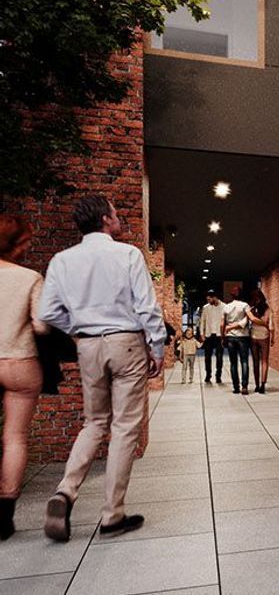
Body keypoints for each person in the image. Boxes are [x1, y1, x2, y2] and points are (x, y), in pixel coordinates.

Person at [37, 193, 165, 541]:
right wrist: (157, 347)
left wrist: (79, 324)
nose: (118, 216)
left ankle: (65, 490)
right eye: (115, 212)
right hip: (126, 343)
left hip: (88, 345)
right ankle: (112, 515)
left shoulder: (62, 260)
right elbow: (147, 307)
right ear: (105, 220)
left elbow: (47, 313)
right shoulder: (127, 254)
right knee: (125, 427)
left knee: (94, 423)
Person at [0, 215, 47, 540]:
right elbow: (42, 325)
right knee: (14, 438)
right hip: (20, 362)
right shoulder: (30, 277)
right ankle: (4, 516)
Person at [222, 287, 252, 394]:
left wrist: (223, 336)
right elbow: (249, 319)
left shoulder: (227, 307)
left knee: (233, 363)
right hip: (243, 337)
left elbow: (222, 324)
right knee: (244, 361)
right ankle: (244, 386)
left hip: (230, 337)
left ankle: (236, 387)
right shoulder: (245, 305)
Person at [247, 288, 273, 393]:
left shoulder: (251, 309)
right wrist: (273, 336)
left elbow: (251, 320)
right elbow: (271, 325)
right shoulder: (268, 309)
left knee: (255, 362)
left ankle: (257, 385)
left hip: (253, 337)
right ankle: (263, 385)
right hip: (265, 336)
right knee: (265, 361)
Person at [199, 291, 225, 384]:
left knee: (219, 357)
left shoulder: (224, 307)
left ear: (215, 297)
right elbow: (202, 321)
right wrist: (202, 334)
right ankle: (208, 374)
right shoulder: (206, 308)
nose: (208, 301)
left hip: (219, 335)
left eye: (209, 299)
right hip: (209, 335)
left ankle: (218, 375)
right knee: (207, 357)